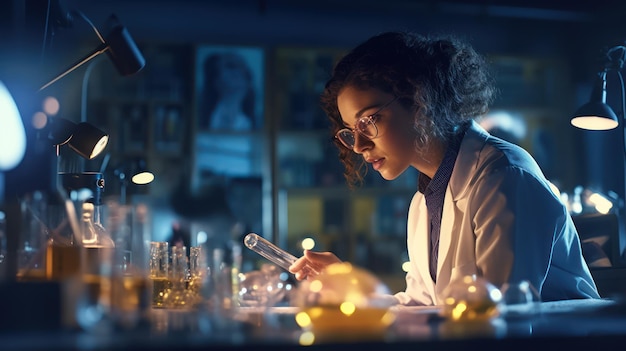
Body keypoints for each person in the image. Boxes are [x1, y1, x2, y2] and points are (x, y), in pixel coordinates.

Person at [288, 31, 600, 305]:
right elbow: (421, 304)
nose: (357, 145)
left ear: (419, 101)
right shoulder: (426, 198)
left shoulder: (503, 176)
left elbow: (499, 311)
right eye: (350, 130)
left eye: (368, 120)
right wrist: (347, 283)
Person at [199, 51, 257, 131]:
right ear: (215, 80)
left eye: (242, 68)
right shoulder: (201, 120)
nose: (239, 73)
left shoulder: (251, 124)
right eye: (231, 66)